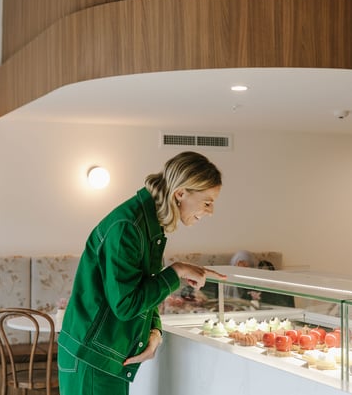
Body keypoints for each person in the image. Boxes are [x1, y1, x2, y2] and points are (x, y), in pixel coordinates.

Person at [57, 151, 226, 395]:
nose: (210, 211)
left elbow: (144, 288)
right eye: (207, 202)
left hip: (105, 356)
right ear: (180, 193)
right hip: (92, 358)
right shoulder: (129, 227)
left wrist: (154, 331)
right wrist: (176, 271)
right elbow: (126, 304)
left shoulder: (149, 224)